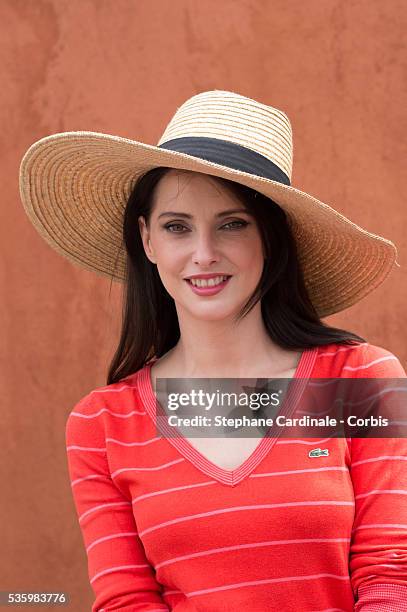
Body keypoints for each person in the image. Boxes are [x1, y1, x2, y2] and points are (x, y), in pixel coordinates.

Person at [19, 90, 407, 611]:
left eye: (232, 224)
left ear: (271, 238)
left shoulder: (359, 382)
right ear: (147, 240)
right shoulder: (104, 424)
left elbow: (390, 577)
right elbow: (128, 602)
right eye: (177, 226)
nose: (204, 255)